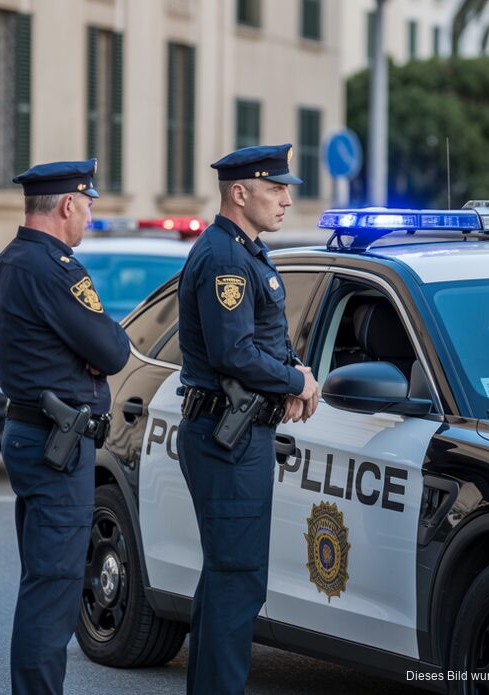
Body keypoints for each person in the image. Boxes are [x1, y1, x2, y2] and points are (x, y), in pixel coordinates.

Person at [175, 144, 319, 695]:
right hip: (227, 438)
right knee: (237, 584)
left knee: (225, 582)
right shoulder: (226, 258)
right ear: (240, 193)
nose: (286, 198)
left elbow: (263, 339)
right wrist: (295, 383)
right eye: (276, 188)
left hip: (238, 434)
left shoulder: (246, 252)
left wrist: (293, 370)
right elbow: (232, 353)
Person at [0, 159, 129, 695]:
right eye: (88, 205)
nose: (89, 217)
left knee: (43, 583)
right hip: (57, 442)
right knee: (54, 590)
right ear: (67, 204)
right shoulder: (54, 268)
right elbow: (112, 350)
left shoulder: (7, 262)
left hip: (33, 433)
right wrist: (88, 351)